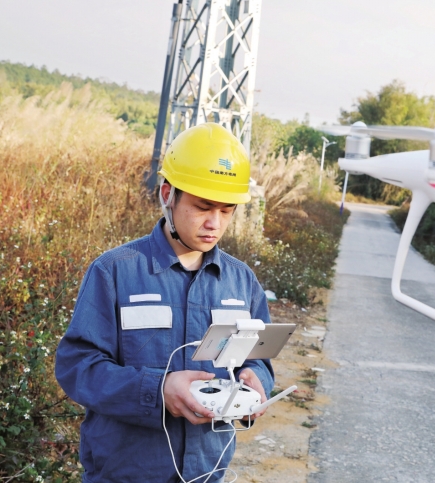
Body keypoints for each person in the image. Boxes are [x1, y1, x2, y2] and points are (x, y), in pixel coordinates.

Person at [55, 123, 275, 483]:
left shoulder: (241, 281)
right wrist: (159, 390)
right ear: (167, 194)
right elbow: (78, 367)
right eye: (203, 207)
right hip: (126, 471)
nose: (213, 223)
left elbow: (257, 357)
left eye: (226, 211)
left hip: (206, 470)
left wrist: (256, 380)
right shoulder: (114, 272)